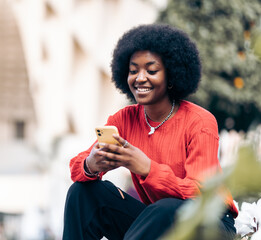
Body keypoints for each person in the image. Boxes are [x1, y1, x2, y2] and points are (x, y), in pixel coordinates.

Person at [63, 23, 238, 240]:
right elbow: (76, 168)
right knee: (83, 193)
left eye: (151, 70)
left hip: (211, 223)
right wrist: (91, 164)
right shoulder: (124, 119)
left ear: (172, 74)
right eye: (133, 70)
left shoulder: (200, 121)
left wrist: (147, 169)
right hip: (156, 221)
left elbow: (200, 192)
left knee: (165, 209)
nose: (140, 78)